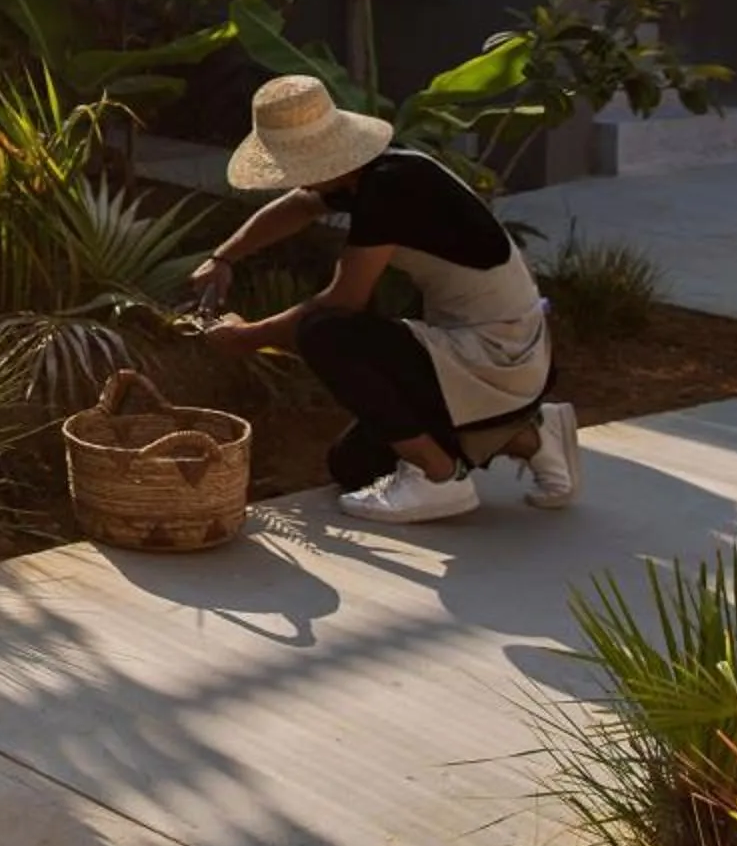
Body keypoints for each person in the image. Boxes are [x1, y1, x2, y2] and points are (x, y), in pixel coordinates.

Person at [188, 74, 580, 524]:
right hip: (475, 346)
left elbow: (345, 300)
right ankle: (533, 436)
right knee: (352, 468)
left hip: (498, 354)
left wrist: (248, 337)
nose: (290, 179)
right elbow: (298, 207)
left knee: (326, 331)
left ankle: (439, 477)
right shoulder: (366, 173)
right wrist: (224, 258)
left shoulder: (390, 187)